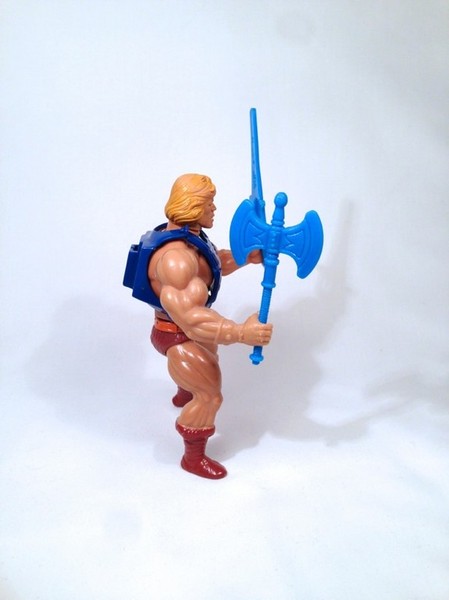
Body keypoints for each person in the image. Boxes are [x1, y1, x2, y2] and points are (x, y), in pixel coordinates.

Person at [147, 173, 273, 479]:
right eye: (209, 203)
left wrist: (247, 257)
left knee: (209, 357)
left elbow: (212, 263)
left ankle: (184, 393)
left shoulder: (189, 237)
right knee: (210, 394)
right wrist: (242, 332)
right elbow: (191, 320)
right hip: (177, 335)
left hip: (180, 328)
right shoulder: (176, 259)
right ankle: (193, 458)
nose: (214, 208)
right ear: (193, 205)